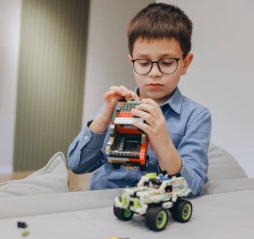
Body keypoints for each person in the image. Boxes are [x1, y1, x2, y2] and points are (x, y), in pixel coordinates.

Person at [67, 3, 211, 197]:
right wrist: (102, 118)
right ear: (132, 62)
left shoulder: (196, 116)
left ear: (185, 63)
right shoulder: (116, 106)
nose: (153, 73)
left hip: (155, 207)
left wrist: (164, 143)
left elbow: (192, 187)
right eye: (143, 63)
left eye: (166, 63)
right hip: (104, 204)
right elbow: (78, 164)